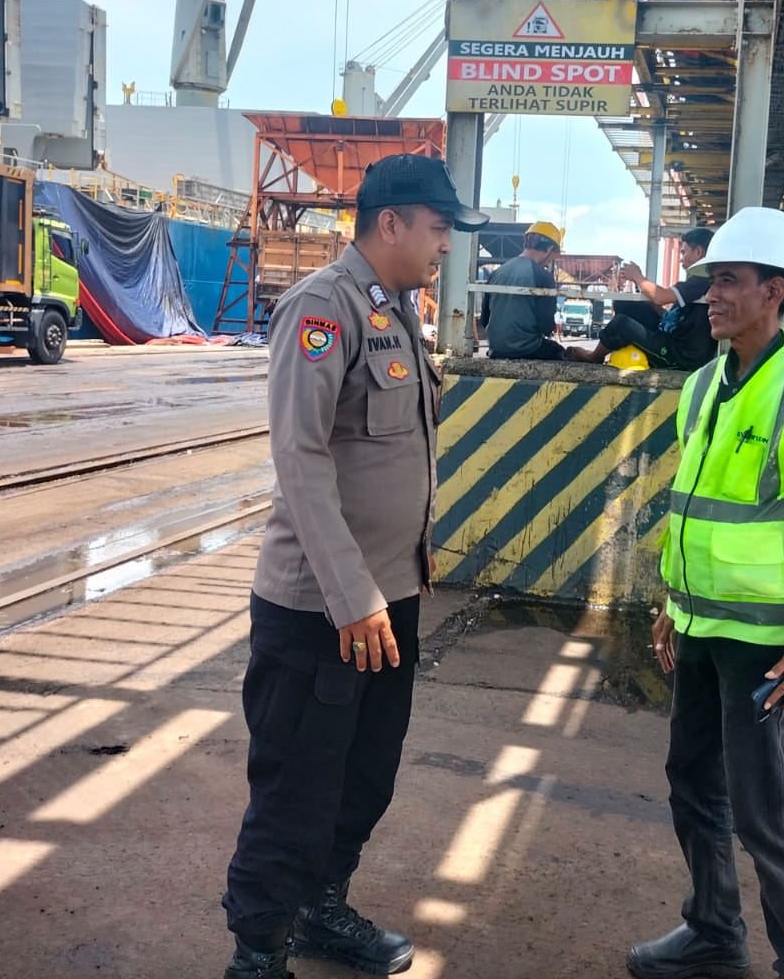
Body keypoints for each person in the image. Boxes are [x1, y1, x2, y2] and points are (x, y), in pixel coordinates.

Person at [222, 153, 487, 979]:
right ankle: (258, 952)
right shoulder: (322, 307)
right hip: (323, 610)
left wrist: (389, 588)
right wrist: (352, 596)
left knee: (364, 778)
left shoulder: (397, 311)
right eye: (439, 228)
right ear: (391, 223)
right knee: (297, 790)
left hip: (388, 600)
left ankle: (319, 911)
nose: (446, 245)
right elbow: (300, 458)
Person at [630, 206, 784, 979]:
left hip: (766, 644)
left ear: (775, 291)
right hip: (700, 626)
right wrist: (672, 600)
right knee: (691, 783)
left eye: (730, 280)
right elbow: (696, 504)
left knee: (765, 812)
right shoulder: (704, 384)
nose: (711, 295)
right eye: (711, 281)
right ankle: (713, 930)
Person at [566, 227, 716, 371]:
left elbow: (660, 297)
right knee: (628, 305)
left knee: (621, 324)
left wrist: (638, 277)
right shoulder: (699, 282)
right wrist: (651, 304)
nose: (681, 260)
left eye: (684, 253)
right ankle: (622, 349)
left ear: (698, 252)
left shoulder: (701, 281)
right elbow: (674, 318)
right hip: (673, 340)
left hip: (679, 357)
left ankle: (594, 357)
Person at [479, 220, 565, 360]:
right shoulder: (543, 276)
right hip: (528, 349)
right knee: (560, 352)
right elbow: (546, 326)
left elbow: (485, 319)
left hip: (496, 349)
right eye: (553, 255)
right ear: (549, 249)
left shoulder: (497, 272)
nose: (550, 260)